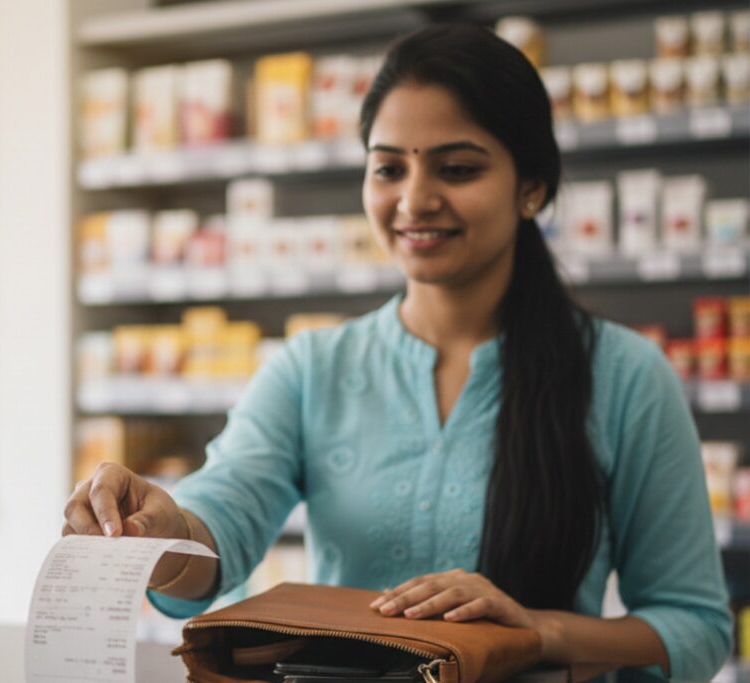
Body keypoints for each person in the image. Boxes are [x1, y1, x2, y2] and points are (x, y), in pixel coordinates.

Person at [62, 24, 732, 681]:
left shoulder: (626, 377)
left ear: (531, 186)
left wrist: (535, 630)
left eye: (458, 168)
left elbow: (696, 628)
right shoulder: (312, 369)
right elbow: (218, 529)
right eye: (388, 167)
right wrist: (163, 528)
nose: (414, 199)